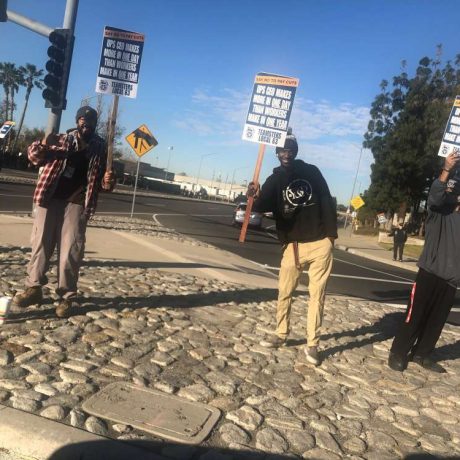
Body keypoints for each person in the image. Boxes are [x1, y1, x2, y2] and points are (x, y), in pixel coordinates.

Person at [13, 106, 115, 318]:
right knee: (40, 244)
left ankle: (66, 296)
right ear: (77, 121)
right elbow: (33, 157)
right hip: (48, 199)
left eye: (91, 122)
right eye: (83, 120)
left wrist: (108, 182)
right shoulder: (60, 139)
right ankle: (34, 288)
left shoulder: (101, 148)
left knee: (71, 251)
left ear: (96, 124)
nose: (86, 124)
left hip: (77, 203)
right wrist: (42, 144)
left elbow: (104, 183)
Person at [248, 131, 337, 366]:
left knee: (317, 296)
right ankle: (281, 334)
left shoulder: (311, 172)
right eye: (281, 150)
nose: (285, 154)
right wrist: (253, 195)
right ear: (276, 153)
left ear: (295, 151)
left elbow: (327, 200)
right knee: (284, 292)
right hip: (293, 246)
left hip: (319, 243)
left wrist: (331, 238)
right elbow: (261, 206)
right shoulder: (274, 179)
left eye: (289, 149)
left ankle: (312, 344)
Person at [388, 152, 460, 373]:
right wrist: (446, 169)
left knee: (437, 321)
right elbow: (435, 196)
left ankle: (423, 353)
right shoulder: (439, 211)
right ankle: (398, 352)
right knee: (415, 315)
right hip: (430, 271)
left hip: (452, 278)